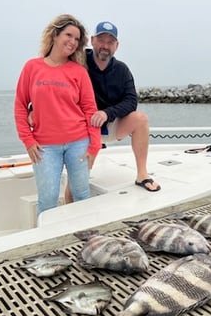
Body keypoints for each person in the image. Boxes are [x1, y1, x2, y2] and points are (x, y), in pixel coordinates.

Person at [14, 14, 101, 216]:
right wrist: (27, 140)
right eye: (68, 35)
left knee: (81, 195)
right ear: (55, 35)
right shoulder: (31, 67)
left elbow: (90, 110)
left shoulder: (78, 72)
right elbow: (20, 106)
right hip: (44, 147)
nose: (72, 42)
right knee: (47, 201)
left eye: (77, 39)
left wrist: (94, 145)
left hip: (78, 143)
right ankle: (47, 245)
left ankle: (87, 242)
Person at [65, 20, 161, 202]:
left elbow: (132, 101)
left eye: (110, 42)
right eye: (101, 40)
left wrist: (107, 113)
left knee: (140, 119)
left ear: (116, 46)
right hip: (84, 129)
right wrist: (32, 108)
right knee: (75, 182)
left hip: (112, 124)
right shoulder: (78, 63)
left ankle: (142, 174)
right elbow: (54, 84)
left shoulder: (122, 70)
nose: (105, 46)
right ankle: (66, 211)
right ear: (92, 40)